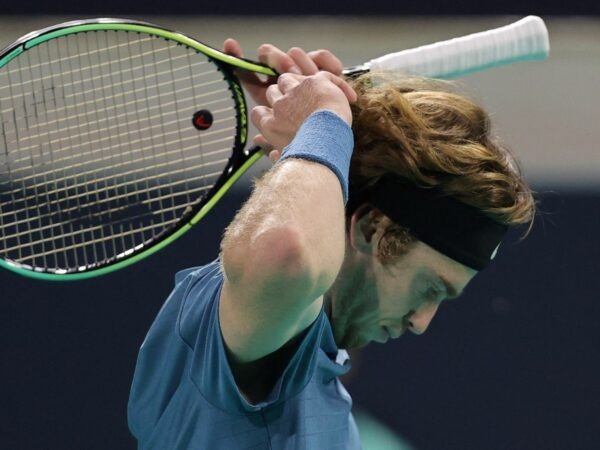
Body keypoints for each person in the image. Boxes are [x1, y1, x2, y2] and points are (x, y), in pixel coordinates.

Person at [127, 40, 535, 449]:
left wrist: (315, 133)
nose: (421, 322)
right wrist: (325, 120)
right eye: (431, 287)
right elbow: (284, 254)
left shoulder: (329, 411)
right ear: (373, 229)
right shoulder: (265, 318)